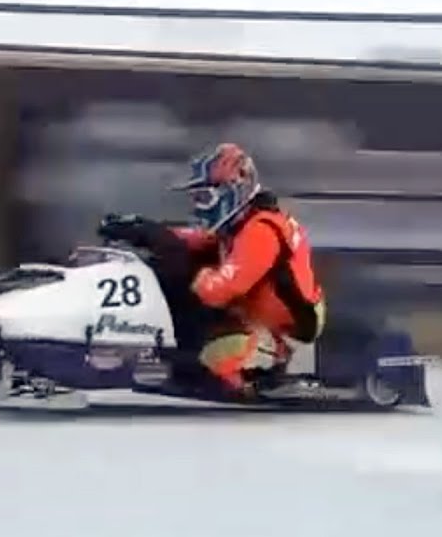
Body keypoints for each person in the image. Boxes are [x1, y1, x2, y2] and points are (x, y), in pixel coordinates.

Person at [99, 143, 326, 396]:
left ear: (232, 190)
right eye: (196, 199)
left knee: (206, 355)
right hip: (256, 312)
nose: (198, 207)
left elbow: (221, 289)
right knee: (178, 263)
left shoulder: (261, 231)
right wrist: (146, 230)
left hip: (285, 329)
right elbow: (198, 240)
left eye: (204, 198)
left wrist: (178, 269)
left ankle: (268, 366)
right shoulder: (242, 222)